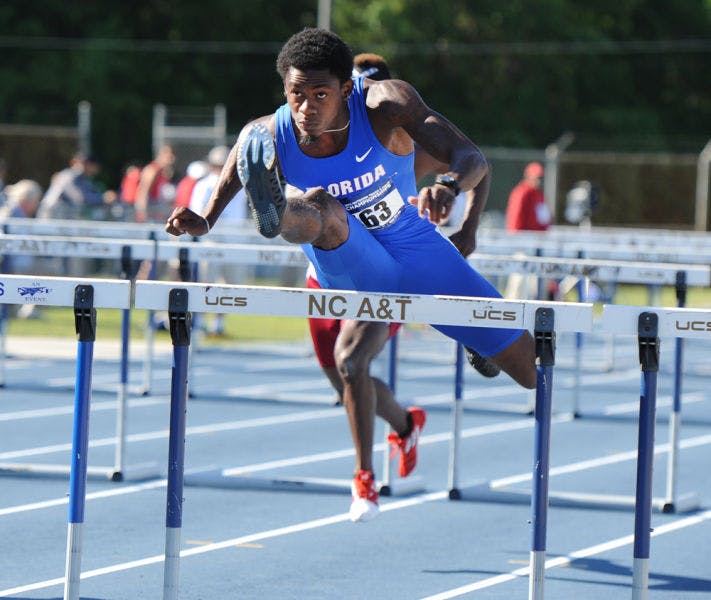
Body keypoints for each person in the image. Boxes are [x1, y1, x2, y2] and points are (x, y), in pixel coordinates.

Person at [166, 28, 536, 523]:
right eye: (297, 95)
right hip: (347, 257)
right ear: (285, 91)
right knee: (322, 212)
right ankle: (275, 213)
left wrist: (448, 187)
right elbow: (239, 156)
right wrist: (207, 217)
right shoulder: (269, 131)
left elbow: (473, 159)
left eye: (320, 95)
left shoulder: (387, 104)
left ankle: (472, 347)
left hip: (412, 243)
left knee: (534, 372)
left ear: (346, 90)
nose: (306, 109)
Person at [306, 52, 498, 411]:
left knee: (352, 361)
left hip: (391, 263)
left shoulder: (408, 144)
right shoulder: (319, 136)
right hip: (334, 265)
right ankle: (405, 425)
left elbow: (478, 166)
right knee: (339, 378)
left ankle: (477, 330)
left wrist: (469, 229)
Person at [189, 145, 250, 335]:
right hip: (211, 239)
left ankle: (218, 323)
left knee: (229, 284)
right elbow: (197, 212)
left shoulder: (241, 185)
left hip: (233, 239)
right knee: (205, 281)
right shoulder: (204, 185)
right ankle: (199, 320)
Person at [505, 162, 556, 299]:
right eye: (536, 177)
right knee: (519, 281)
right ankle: (512, 310)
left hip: (538, 244)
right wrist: (518, 241)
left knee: (539, 283)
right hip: (524, 244)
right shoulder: (521, 192)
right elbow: (515, 221)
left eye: (540, 178)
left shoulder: (539, 195)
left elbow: (545, 221)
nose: (539, 181)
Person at [36, 152, 112, 221]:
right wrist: (103, 198)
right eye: (84, 163)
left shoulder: (81, 179)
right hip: (50, 217)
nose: (89, 168)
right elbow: (80, 198)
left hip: (59, 218)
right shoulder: (69, 176)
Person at [132, 144, 176, 222]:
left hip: (158, 211)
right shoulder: (152, 170)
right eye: (170, 154)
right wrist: (142, 214)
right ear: (162, 155)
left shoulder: (163, 171)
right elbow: (142, 192)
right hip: (149, 212)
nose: (173, 158)